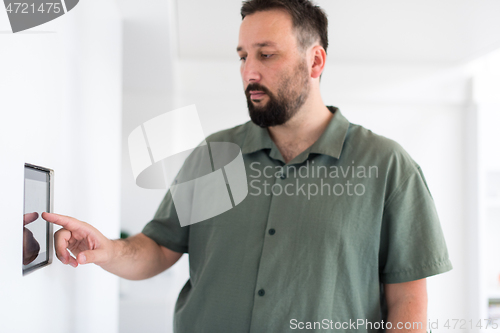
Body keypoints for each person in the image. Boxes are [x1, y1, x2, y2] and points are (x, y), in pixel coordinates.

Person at [42, 0, 452, 332]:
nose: (249, 73)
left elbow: (408, 301)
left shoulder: (386, 166)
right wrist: (107, 249)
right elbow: (159, 249)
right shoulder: (214, 154)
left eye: (266, 55)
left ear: (315, 62)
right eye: (242, 57)